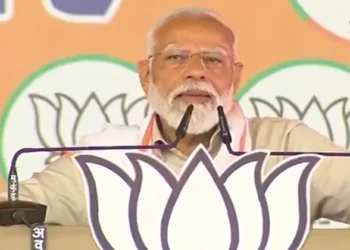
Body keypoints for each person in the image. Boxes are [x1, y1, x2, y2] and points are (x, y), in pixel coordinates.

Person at [1, 7, 350, 226]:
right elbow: (19, 209)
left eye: (213, 60)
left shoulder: (284, 145)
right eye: (176, 58)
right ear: (146, 76)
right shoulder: (104, 157)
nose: (196, 72)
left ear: (236, 76)